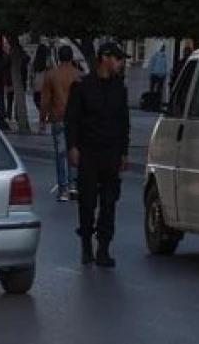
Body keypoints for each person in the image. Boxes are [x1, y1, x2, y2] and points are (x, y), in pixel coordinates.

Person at [66, 42, 130, 268]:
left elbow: (124, 122)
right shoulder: (83, 86)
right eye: (118, 59)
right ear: (105, 58)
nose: (120, 64)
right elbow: (72, 119)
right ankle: (86, 244)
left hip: (111, 152)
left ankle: (104, 248)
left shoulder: (119, 88)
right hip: (89, 152)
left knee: (109, 202)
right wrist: (72, 146)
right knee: (87, 201)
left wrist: (124, 152)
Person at [40, 45, 83, 202]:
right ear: (72, 57)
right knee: (75, 150)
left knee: (61, 154)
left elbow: (45, 100)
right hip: (77, 120)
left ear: (59, 57)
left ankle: (63, 189)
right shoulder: (79, 75)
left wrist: (42, 119)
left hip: (58, 117)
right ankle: (74, 185)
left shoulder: (51, 75)